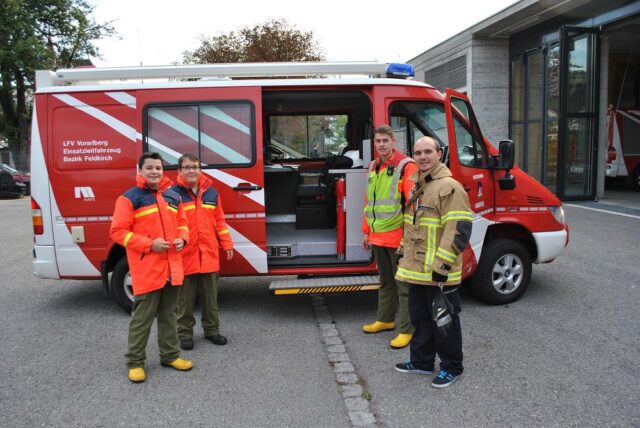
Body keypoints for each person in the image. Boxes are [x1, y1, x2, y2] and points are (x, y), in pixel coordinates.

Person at [393, 136, 473, 388]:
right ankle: (422, 362)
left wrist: (442, 267)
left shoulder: (449, 187)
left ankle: (452, 367)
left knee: (444, 322)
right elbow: (413, 226)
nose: (423, 157)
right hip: (416, 271)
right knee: (421, 319)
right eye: (418, 153)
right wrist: (402, 250)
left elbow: (458, 230)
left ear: (440, 154)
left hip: (439, 274)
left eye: (428, 151)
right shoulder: (419, 184)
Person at [110, 152, 193, 383]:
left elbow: (184, 225)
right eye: (149, 168)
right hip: (147, 270)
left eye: (158, 168)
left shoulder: (173, 196)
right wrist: (149, 245)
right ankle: (135, 363)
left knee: (169, 315)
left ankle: (170, 355)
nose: (154, 172)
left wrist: (182, 240)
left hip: (172, 268)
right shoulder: (129, 198)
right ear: (140, 170)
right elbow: (117, 232)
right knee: (142, 319)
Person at [361, 125, 418, 349]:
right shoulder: (373, 166)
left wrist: (408, 237)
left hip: (398, 238)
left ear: (393, 141)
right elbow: (369, 203)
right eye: (378, 141)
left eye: (385, 140)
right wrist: (366, 231)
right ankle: (385, 320)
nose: (381, 144)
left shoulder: (406, 166)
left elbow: (412, 207)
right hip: (378, 237)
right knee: (385, 283)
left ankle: (407, 329)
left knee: (403, 285)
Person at [171, 154, 234, 350]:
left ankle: (212, 331)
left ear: (200, 170)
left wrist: (227, 243)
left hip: (208, 254)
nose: (192, 171)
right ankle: (184, 334)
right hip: (185, 255)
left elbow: (220, 221)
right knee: (185, 302)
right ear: (179, 171)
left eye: (195, 167)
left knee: (210, 300)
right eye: (187, 167)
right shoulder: (172, 194)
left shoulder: (211, 193)